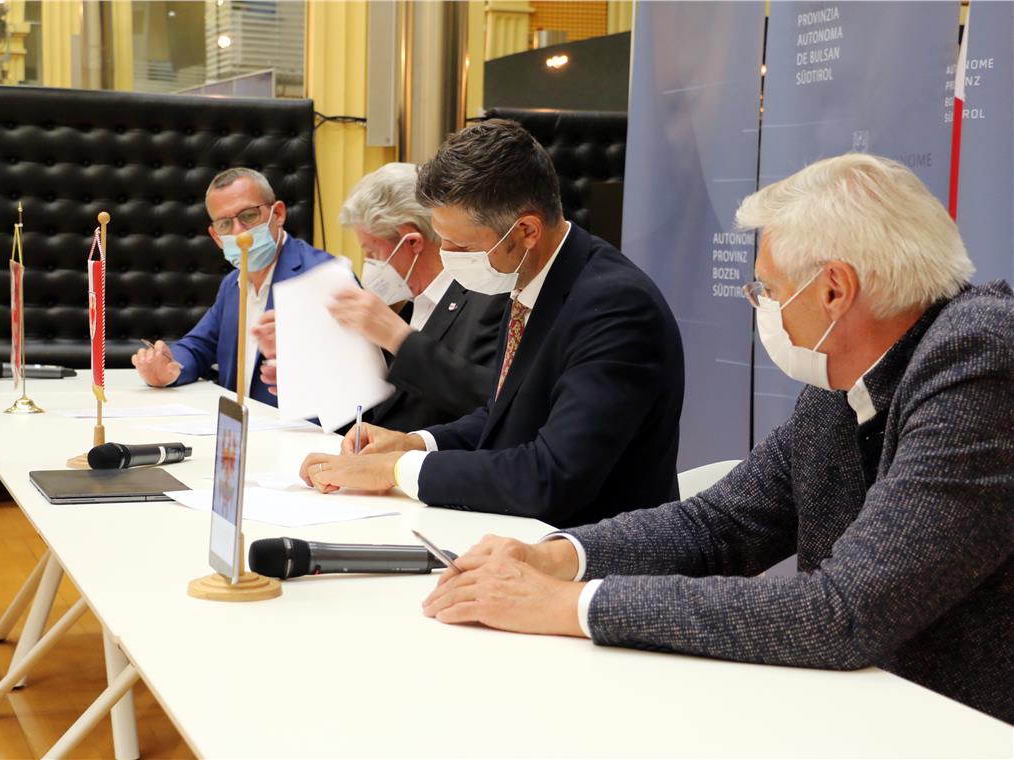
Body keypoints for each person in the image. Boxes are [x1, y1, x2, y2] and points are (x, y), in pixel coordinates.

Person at [421, 154, 1014, 723]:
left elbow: (844, 610)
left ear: (834, 289)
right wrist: (554, 557)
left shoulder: (980, 360)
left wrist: (567, 605)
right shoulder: (839, 383)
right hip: (873, 708)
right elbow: (720, 525)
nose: (762, 307)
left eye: (768, 290)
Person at [299, 119, 685, 529]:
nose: (446, 255)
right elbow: (504, 415)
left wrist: (398, 470)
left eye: (461, 245)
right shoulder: (531, 277)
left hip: (594, 546)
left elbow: (551, 476)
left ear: (527, 230)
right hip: (525, 532)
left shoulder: (615, 308)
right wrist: (416, 443)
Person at [322, 162, 508, 432]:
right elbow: (374, 410)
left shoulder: (490, 298)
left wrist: (399, 338)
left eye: (372, 252)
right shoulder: (403, 303)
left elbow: (488, 402)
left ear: (411, 242)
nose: (369, 264)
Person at [132, 167, 333, 402]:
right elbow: (198, 345)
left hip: (298, 423)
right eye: (225, 224)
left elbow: (350, 377)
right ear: (216, 237)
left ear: (278, 214)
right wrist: (169, 368)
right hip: (237, 420)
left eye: (248, 216)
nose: (238, 233)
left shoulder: (323, 276)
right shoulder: (232, 284)